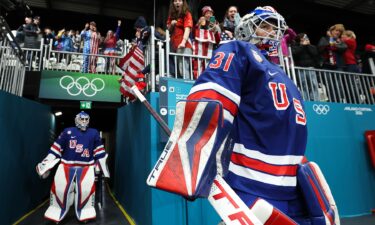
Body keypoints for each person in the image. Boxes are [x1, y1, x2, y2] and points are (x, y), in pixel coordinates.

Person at [148, 6, 339, 225]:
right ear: (245, 28)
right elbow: (212, 97)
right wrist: (190, 160)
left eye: (275, 28)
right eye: (265, 26)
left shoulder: (286, 76)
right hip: (252, 185)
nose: (271, 33)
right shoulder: (238, 49)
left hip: (291, 187)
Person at [36, 111, 109, 223]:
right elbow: (56, 149)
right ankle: (57, 210)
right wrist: (46, 162)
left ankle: (85, 212)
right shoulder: (67, 132)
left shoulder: (93, 133)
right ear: (77, 119)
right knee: (60, 190)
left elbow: (99, 152)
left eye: (86, 119)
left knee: (86, 191)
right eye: (82, 119)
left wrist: (102, 166)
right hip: (66, 164)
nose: (84, 121)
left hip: (86, 166)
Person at [166, 0, 193, 79]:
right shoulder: (172, 15)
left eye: (179, 1)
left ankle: (186, 90)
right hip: (174, 46)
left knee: (183, 70)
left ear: (183, 2)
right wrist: (171, 24)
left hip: (184, 46)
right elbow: (168, 29)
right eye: (175, 1)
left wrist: (183, 42)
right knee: (176, 72)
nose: (177, 2)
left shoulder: (187, 14)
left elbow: (187, 29)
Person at [291, 33, 320, 101]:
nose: (306, 39)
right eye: (304, 38)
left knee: (313, 85)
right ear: (300, 39)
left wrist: (307, 45)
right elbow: (295, 53)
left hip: (310, 68)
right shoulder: (296, 46)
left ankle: (315, 100)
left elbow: (315, 53)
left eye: (307, 38)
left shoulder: (311, 46)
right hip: (300, 69)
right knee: (303, 85)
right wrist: (302, 46)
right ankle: (305, 100)